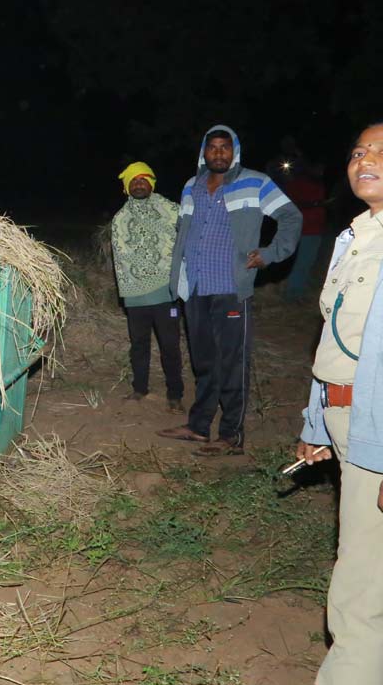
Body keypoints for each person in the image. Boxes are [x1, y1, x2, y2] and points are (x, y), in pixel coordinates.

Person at [294, 121, 383, 683]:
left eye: (381, 151)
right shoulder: (354, 238)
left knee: (358, 591)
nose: (365, 158)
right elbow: (334, 338)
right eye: (357, 150)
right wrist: (317, 423)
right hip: (347, 420)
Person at [157, 125, 302, 455]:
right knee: (205, 361)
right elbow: (184, 232)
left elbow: (290, 217)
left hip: (230, 289)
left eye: (225, 147)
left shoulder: (255, 182)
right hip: (194, 287)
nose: (218, 153)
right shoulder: (191, 186)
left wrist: (269, 254)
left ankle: (231, 435)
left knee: (232, 363)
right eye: (213, 148)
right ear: (203, 152)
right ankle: (198, 427)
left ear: (234, 151)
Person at [110, 161, 184, 412]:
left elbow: (186, 240)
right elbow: (123, 257)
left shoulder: (171, 210)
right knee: (139, 344)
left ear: (151, 184)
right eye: (134, 180)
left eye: (144, 179)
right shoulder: (120, 219)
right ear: (126, 187)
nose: (139, 183)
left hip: (167, 292)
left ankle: (175, 394)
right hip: (135, 295)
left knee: (170, 344)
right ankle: (139, 388)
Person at [282, 160, 329, 301]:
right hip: (304, 230)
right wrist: (316, 203)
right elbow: (291, 203)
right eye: (318, 168)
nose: (321, 172)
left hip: (315, 229)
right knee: (301, 262)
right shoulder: (298, 183)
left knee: (307, 262)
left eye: (322, 169)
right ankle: (293, 294)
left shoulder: (318, 184)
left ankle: (299, 291)